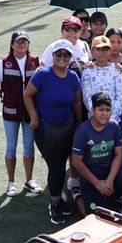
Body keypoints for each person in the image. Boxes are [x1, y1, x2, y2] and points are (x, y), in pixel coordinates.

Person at [24, 41, 85, 223]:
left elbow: (77, 101)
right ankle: (55, 202)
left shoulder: (72, 76)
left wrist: (79, 123)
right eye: (59, 54)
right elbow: (27, 94)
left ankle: (59, 198)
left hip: (67, 128)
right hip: (45, 129)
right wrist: (34, 117)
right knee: (57, 166)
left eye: (66, 55)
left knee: (59, 164)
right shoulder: (43, 75)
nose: (62, 58)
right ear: (53, 56)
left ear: (70, 57)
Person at [69, 93, 122, 215]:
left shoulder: (114, 126)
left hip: (111, 170)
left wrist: (110, 180)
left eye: (108, 110)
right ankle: (77, 193)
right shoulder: (82, 131)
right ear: (92, 110)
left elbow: (119, 155)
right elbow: (76, 162)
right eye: (101, 110)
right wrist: (97, 183)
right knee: (92, 216)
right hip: (93, 174)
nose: (104, 113)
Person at [0, 30, 41, 197]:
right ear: (12, 44)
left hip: (30, 112)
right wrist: (5, 97)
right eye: (18, 41)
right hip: (10, 112)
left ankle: (29, 180)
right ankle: (11, 182)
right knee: (11, 147)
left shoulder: (35, 61)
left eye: (25, 41)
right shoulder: (4, 63)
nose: (22, 44)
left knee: (29, 147)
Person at [82, 35, 122, 114]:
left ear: (110, 51)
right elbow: (86, 96)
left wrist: (111, 115)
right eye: (98, 49)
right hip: (94, 117)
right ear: (92, 51)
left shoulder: (117, 70)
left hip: (113, 117)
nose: (102, 52)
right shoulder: (87, 71)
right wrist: (96, 114)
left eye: (105, 49)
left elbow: (119, 96)